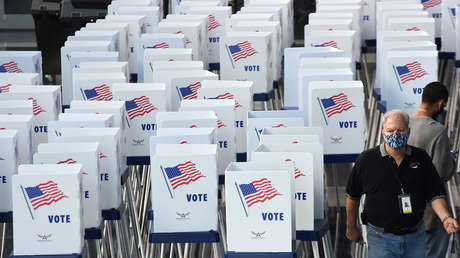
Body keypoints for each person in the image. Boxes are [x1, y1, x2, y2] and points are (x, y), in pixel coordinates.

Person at [345, 110, 459, 258]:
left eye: (400, 130)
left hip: (415, 236)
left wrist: (446, 218)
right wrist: (351, 227)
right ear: (382, 132)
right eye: (390, 130)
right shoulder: (367, 160)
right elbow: (352, 196)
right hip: (381, 238)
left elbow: (435, 193)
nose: (395, 134)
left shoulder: (421, 158)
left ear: (409, 132)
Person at [409, 81, 456, 258]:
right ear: (440, 103)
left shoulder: (400, 124)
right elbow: (441, 173)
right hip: (430, 213)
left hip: (403, 212)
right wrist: (451, 159)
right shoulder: (438, 132)